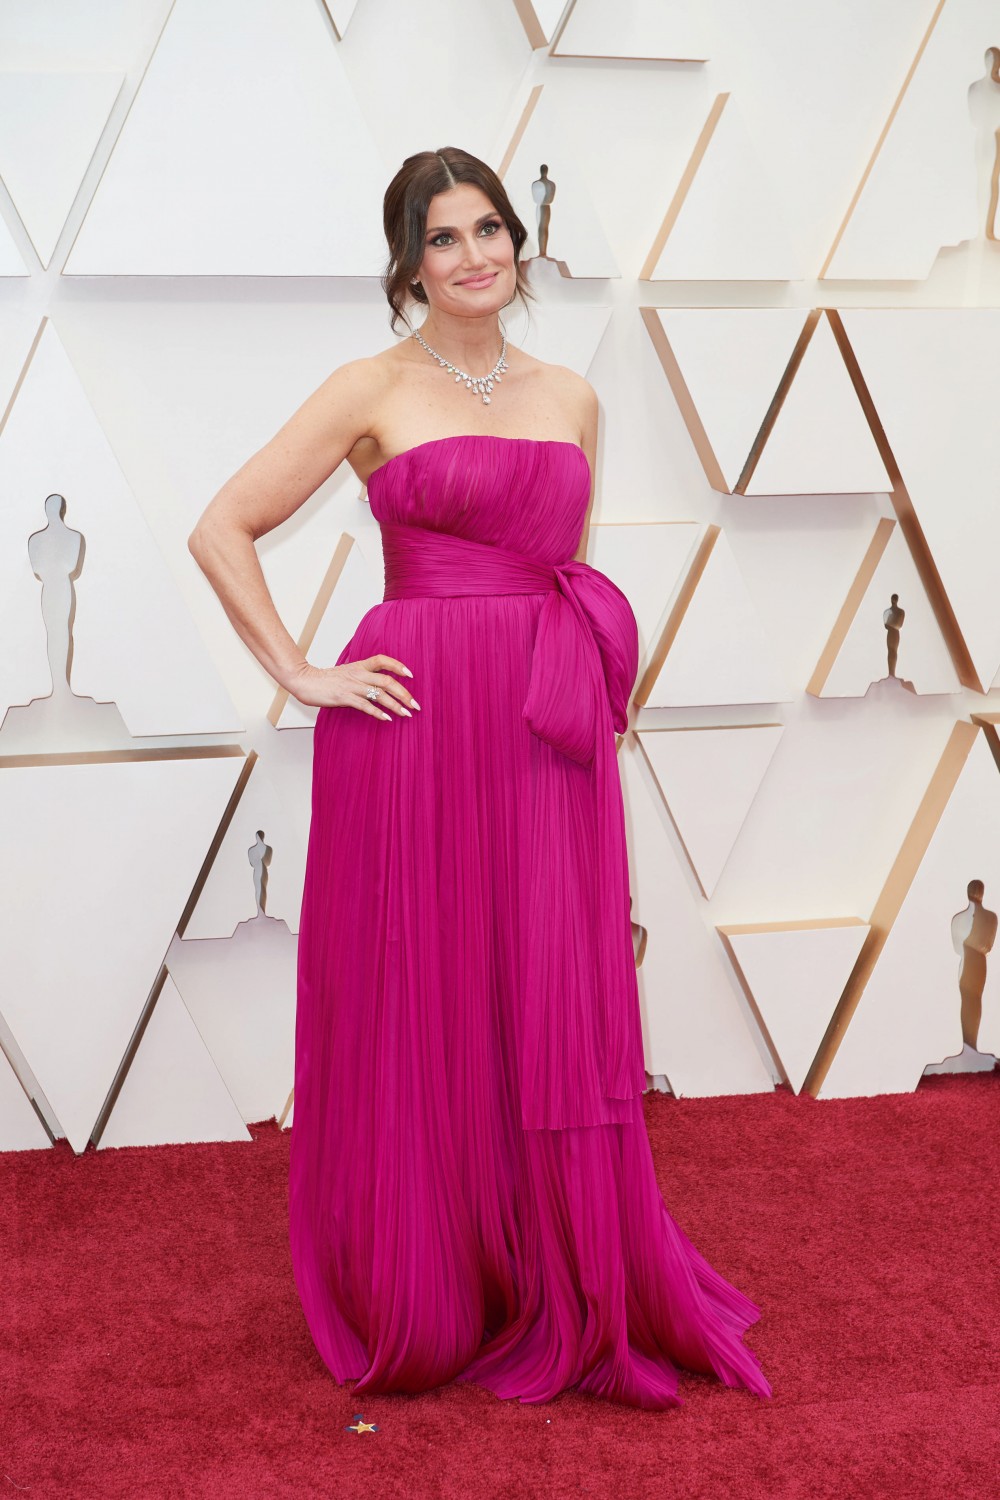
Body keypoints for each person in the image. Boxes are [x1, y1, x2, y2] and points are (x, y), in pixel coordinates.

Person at [188, 146, 772, 1410]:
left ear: (520, 242)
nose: (474, 256)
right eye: (442, 238)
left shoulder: (572, 394)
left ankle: (555, 1265)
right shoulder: (371, 384)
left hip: (540, 723)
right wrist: (300, 669)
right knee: (420, 984)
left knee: (542, 982)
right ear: (408, 263)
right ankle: (427, 1275)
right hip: (408, 723)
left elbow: (544, 558)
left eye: (489, 229)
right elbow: (221, 523)